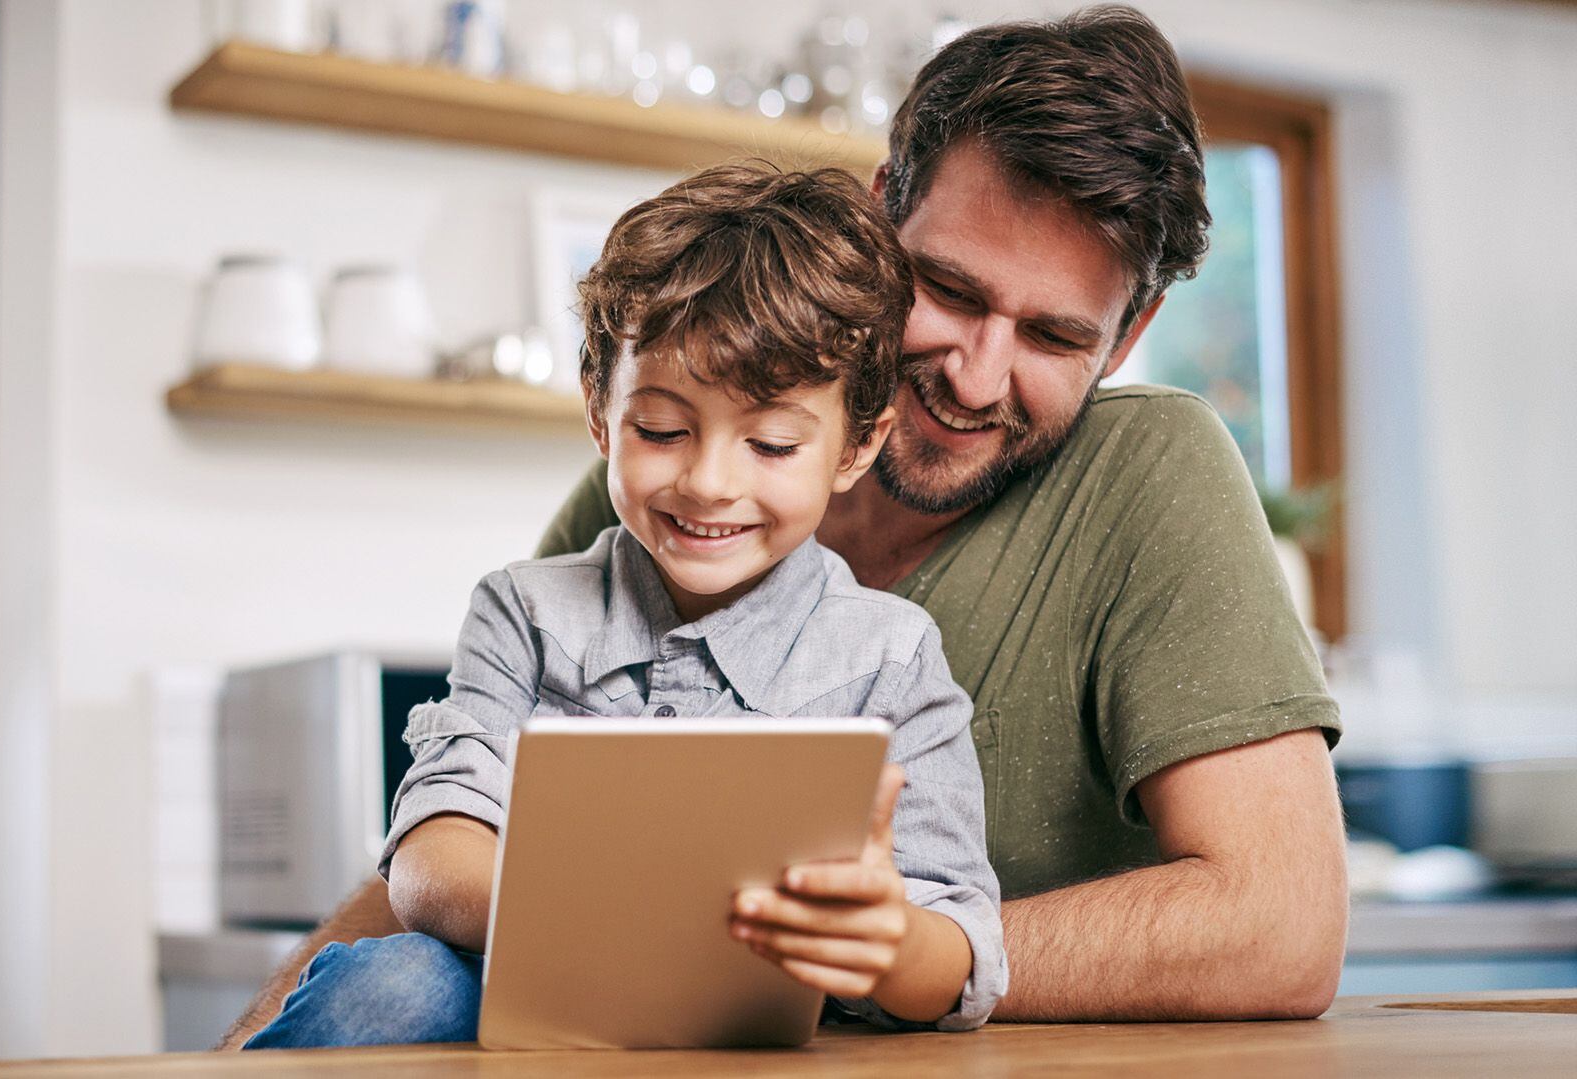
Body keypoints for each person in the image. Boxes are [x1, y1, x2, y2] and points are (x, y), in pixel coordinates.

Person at [221, 5, 1346, 1047]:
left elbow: (1281, 923)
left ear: (1131, 329)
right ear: (874, 220)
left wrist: (867, 952)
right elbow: (458, 828)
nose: (975, 371)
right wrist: (245, 1046)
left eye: (1053, 334)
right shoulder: (649, 513)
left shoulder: (1146, 473)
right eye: (948, 288)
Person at [242, 162, 1006, 1050]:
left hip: (766, 1040)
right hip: (530, 1010)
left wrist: (889, 940)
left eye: (770, 442)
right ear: (601, 413)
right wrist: (633, 916)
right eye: (662, 430)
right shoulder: (525, 613)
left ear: (855, 446)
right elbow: (430, 858)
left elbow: (960, 952)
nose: (709, 482)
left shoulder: (890, 656)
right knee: (396, 984)